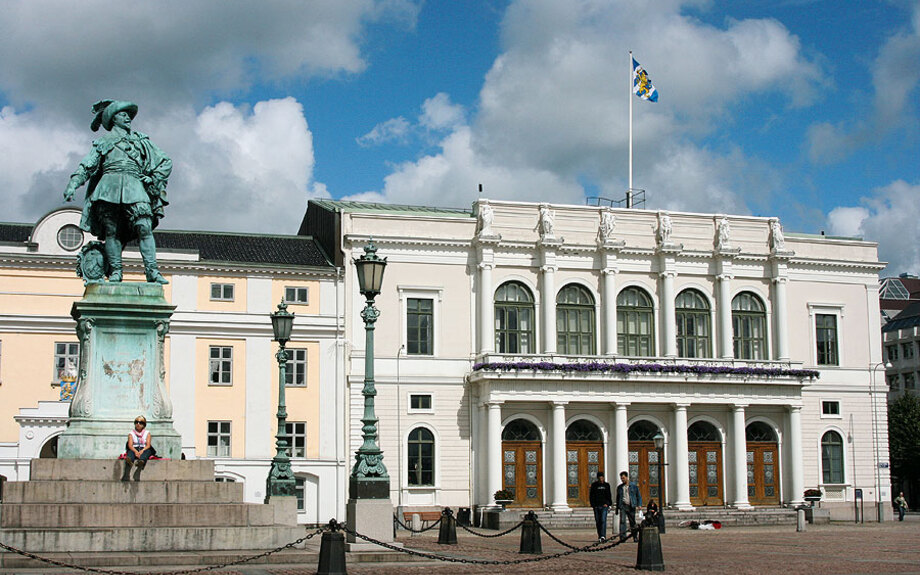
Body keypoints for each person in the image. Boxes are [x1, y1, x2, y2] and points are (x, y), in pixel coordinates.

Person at [64, 100, 172, 284]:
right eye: (123, 114)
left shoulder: (141, 141)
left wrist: (153, 177)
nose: (128, 117)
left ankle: (152, 271)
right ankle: (116, 272)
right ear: (113, 119)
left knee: (144, 227)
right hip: (108, 188)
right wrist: (73, 184)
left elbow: (165, 161)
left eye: (129, 115)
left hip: (134, 186)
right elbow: (87, 165)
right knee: (111, 232)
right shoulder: (103, 142)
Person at [123, 415, 154, 480]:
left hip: (144, 448)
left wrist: (142, 451)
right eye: (136, 422)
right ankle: (129, 460)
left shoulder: (147, 433)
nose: (138, 424)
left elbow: (148, 445)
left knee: (147, 452)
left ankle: (141, 461)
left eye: (140, 423)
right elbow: (130, 445)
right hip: (135, 448)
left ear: (144, 425)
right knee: (131, 452)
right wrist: (136, 451)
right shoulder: (131, 433)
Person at [615, 470, 642, 542]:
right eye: (621, 478)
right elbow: (618, 498)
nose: (622, 479)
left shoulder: (633, 486)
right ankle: (623, 537)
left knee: (632, 522)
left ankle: (635, 536)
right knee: (622, 521)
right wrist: (617, 508)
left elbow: (638, 496)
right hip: (623, 506)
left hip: (631, 506)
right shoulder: (620, 487)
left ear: (627, 477)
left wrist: (639, 504)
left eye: (623, 478)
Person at [589, 471, 613, 542]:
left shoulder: (606, 485)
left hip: (604, 506)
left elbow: (609, 495)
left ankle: (603, 536)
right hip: (596, 506)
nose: (601, 479)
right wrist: (593, 505)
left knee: (603, 520)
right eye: (600, 477)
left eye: (602, 477)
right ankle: (600, 535)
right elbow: (591, 495)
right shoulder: (594, 485)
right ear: (598, 478)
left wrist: (608, 503)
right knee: (598, 521)